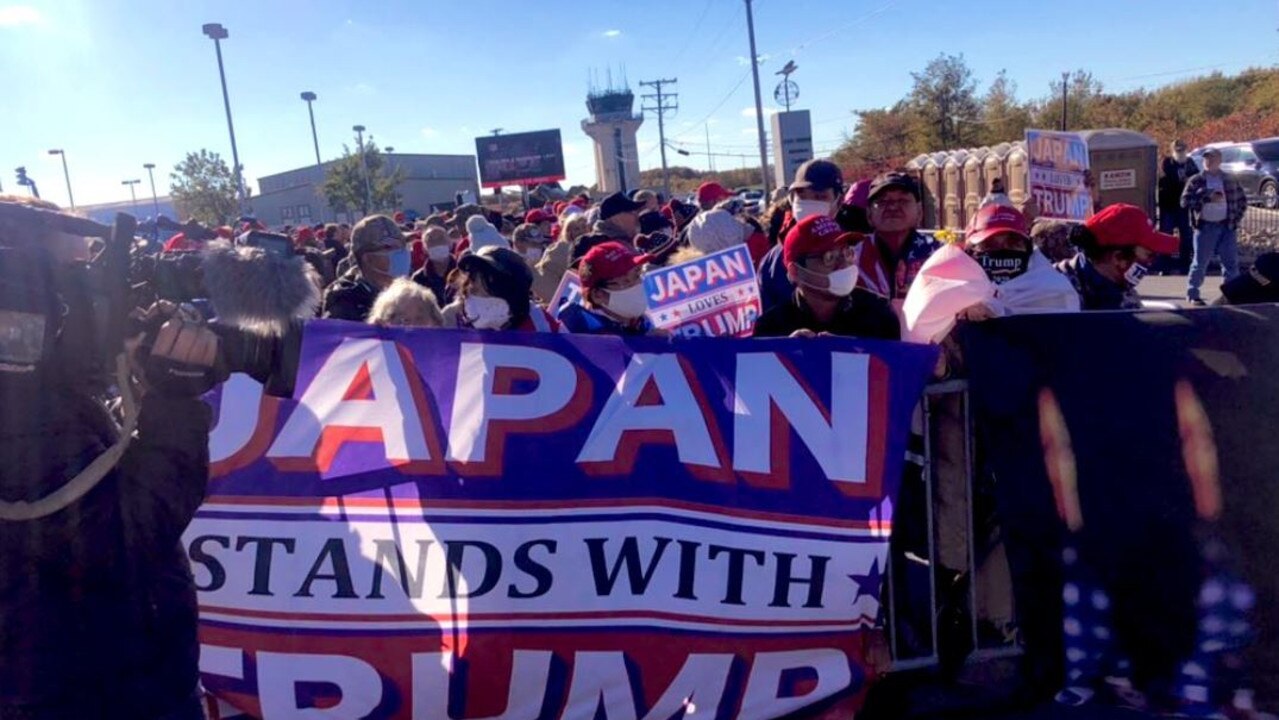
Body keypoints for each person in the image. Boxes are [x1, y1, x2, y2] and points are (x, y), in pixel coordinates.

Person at [0, 197, 221, 719]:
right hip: (89, 691)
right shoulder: (20, 407)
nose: (97, 288)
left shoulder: (45, 384)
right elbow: (122, 538)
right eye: (79, 270)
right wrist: (174, 404)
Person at [752, 215, 900, 340]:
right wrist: (785, 353)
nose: (842, 264)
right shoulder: (771, 328)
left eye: (847, 253)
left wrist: (855, 351)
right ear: (795, 271)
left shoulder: (879, 313)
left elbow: (896, 369)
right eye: (829, 257)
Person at [1054, 203, 1178, 310]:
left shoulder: (1123, 290)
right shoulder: (1056, 291)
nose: (1152, 262)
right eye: (1150, 255)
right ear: (1118, 258)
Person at [857, 172, 942, 303]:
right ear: (869, 215)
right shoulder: (850, 256)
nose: (892, 207)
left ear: (919, 212)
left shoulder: (940, 254)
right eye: (882, 201)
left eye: (903, 201)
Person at [1183, 147, 1247, 305]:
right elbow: (1184, 202)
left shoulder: (1229, 179)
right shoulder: (1196, 180)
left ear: (1219, 160)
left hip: (1227, 226)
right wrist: (1205, 197)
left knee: (1230, 263)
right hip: (1206, 227)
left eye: (1212, 158)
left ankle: (1232, 295)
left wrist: (1235, 218)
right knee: (1200, 262)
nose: (1208, 161)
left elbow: (1242, 201)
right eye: (1206, 159)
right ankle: (1193, 293)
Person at [442, 245, 559, 332]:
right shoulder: (453, 322)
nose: (474, 298)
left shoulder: (541, 325)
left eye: (486, 291)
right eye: (473, 290)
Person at [322, 214, 411, 322]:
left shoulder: (412, 293)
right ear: (367, 259)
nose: (401, 252)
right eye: (389, 247)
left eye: (402, 245)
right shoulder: (345, 305)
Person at [558, 242, 658, 336]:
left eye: (637, 275)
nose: (636, 285)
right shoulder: (579, 332)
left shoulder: (643, 323)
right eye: (625, 281)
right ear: (598, 295)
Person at [1159, 140, 1199, 274]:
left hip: (1184, 207)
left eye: (1182, 150)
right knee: (1166, 235)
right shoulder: (1167, 162)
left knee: (1186, 236)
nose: (1180, 153)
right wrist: (1183, 181)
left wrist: (1187, 181)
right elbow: (1169, 178)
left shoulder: (1190, 163)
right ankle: (1165, 266)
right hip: (1169, 205)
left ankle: (1185, 265)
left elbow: (1196, 178)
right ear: (1173, 151)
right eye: (1178, 150)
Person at [367, 277, 445, 327]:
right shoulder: (379, 350)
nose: (413, 326)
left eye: (419, 318)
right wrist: (373, 338)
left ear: (436, 322)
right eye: (404, 320)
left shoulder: (451, 350)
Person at [410, 226, 456, 307]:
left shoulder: (464, 272)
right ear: (424, 248)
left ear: (450, 243)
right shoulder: (418, 279)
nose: (436, 243)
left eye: (441, 238)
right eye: (431, 240)